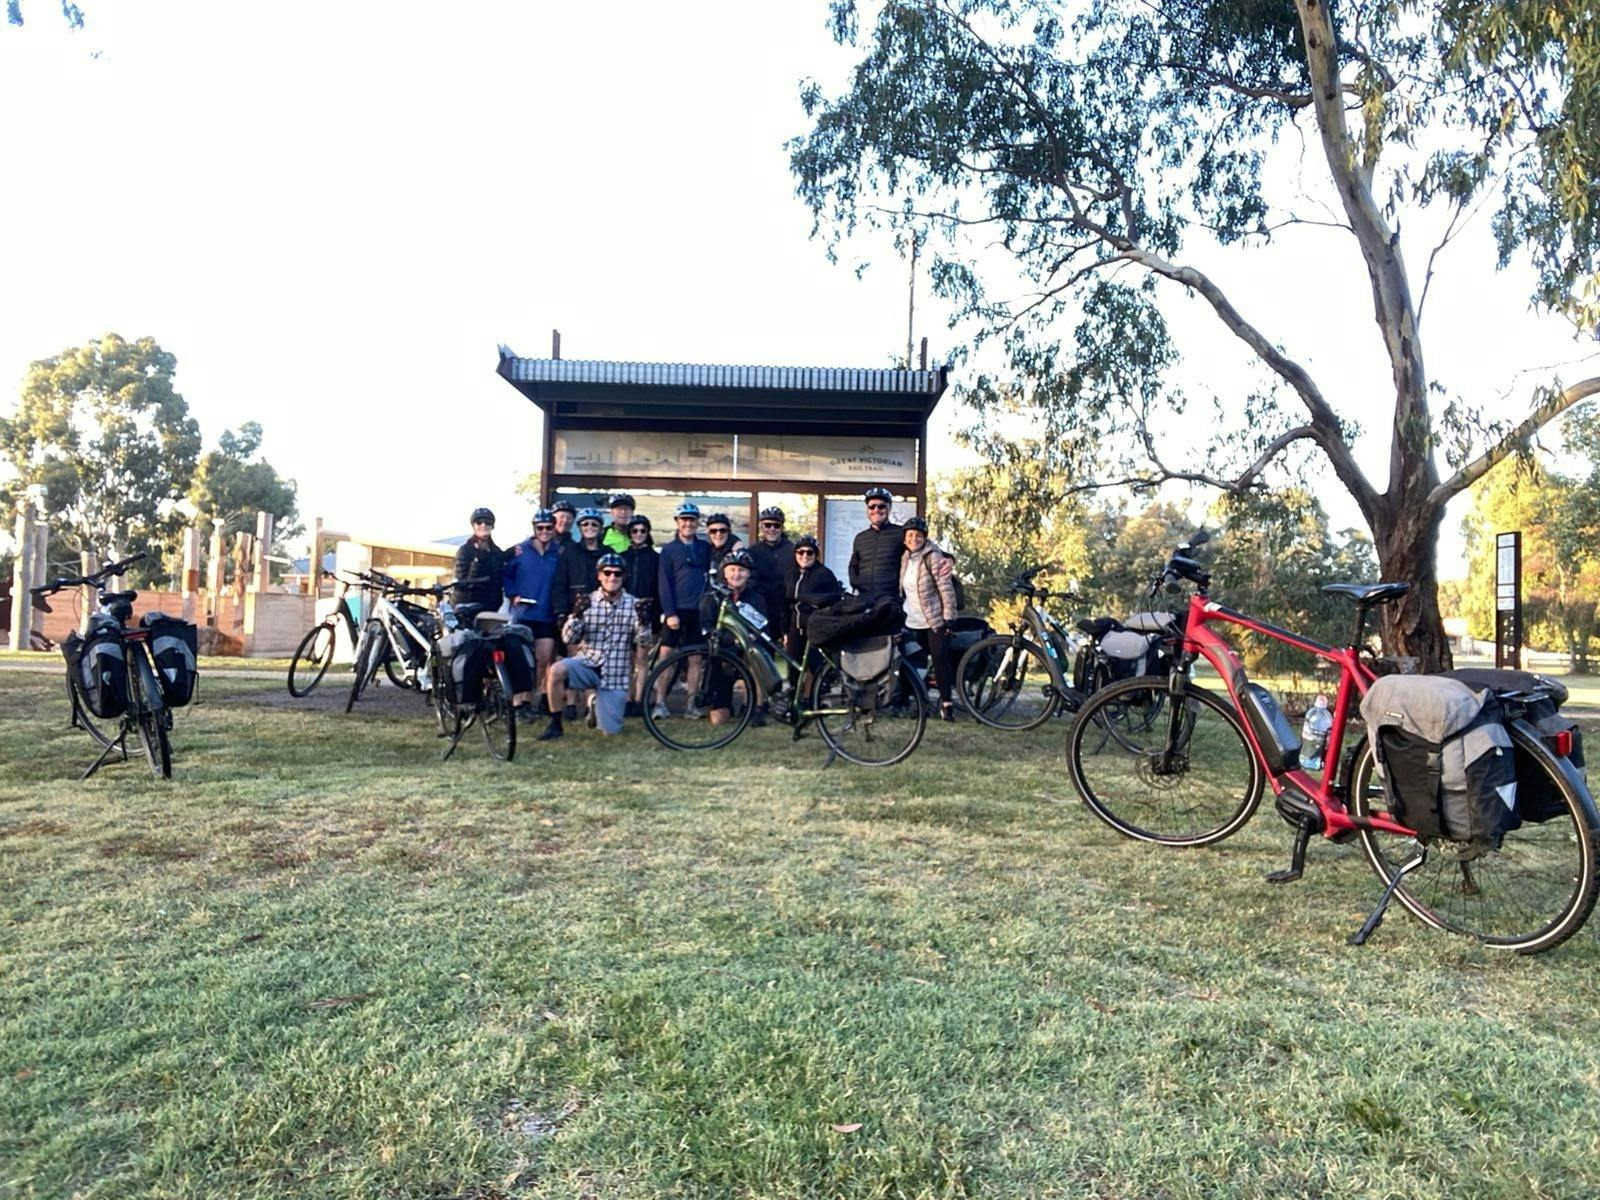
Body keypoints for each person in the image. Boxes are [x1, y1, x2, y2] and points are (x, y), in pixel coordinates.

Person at [539, 553, 652, 740]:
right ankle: (555, 723)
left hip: (616, 673)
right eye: (607, 573)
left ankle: (594, 703)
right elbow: (568, 639)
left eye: (617, 574)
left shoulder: (634, 604)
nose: (612, 578)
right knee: (556, 670)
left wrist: (644, 623)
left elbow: (645, 643)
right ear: (599, 575)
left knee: (610, 734)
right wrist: (575, 615)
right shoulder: (587, 601)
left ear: (624, 576)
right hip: (588, 663)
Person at [502, 507, 562, 720]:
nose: (545, 531)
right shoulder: (521, 550)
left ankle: (529, 699)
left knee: (543, 660)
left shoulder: (559, 552)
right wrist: (512, 594)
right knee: (520, 660)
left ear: (554, 528)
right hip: (523, 614)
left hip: (547, 614)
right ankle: (516, 703)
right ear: (534, 528)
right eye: (540, 528)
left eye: (548, 527)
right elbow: (506, 575)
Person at [654, 502, 711, 719]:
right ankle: (659, 702)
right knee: (666, 656)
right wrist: (669, 613)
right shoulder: (668, 550)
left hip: (698, 611)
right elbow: (664, 583)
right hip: (676, 611)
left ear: (697, 523)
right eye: (684, 519)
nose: (688, 523)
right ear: (677, 522)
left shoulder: (704, 548)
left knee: (695, 659)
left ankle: (691, 705)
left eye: (692, 520)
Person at [900, 516, 960, 721]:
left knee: (940, 659)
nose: (914, 539)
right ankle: (919, 703)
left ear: (924, 538)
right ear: (904, 539)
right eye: (910, 535)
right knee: (915, 664)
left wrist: (949, 617)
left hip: (934, 620)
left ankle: (946, 704)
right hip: (911, 620)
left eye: (918, 535)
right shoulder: (905, 558)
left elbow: (946, 588)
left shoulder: (933, 557)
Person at [699, 548, 767, 727]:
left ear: (748, 574)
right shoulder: (712, 597)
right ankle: (723, 703)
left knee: (756, 657)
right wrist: (731, 639)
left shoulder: (756, 599)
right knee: (719, 720)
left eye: (742, 570)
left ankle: (755, 707)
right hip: (722, 656)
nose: (737, 574)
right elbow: (706, 628)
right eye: (732, 569)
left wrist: (746, 641)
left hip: (746, 654)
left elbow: (762, 629)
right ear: (725, 572)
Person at [621, 514, 661, 717]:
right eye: (635, 531)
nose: (638, 534)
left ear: (648, 533)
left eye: (642, 531)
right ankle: (627, 699)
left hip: (648, 612)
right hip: (625, 612)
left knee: (643, 658)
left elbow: (660, 587)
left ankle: (640, 699)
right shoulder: (623, 557)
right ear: (630, 533)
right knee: (626, 658)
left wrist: (658, 614)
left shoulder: (655, 558)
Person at [784, 533, 842, 659]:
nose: (805, 556)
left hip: (816, 630)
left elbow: (834, 602)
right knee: (793, 670)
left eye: (810, 552)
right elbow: (785, 604)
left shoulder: (825, 574)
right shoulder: (790, 575)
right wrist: (785, 631)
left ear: (816, 555)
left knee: (817, 669)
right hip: (795, 630)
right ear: (795, 554)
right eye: (801, 552)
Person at [747, 506, 795, 644]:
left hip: (786, 608)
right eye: (767, 525)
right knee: (763, 652)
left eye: (776, 525)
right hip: (762, 608)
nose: (772, 529)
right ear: (761, 527)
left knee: (792, 654)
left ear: (782, 527)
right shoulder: (753, 551)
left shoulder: (793, 550)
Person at [849, 486, 903, 603]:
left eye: (881, 506)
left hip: (891, 600)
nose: (876, 510)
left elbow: (922, 547)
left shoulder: (901, 533)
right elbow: (853, 565)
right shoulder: (860, 538)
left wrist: (947, 559)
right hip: (865, 600)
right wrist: (856, 583)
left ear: (889, 508)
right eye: (872, 507)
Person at [553, 507, 607, 622]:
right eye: (585, 524)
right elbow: (560, 584)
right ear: (579, 528)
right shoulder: (569, 552)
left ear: (601, 528)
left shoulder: (608, 554)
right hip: (574, 612)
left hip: (603, 613)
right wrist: (561, 612)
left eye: (594, 524)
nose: (589, 527)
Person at [453, 507, 506, 611]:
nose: (483, 525)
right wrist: (478, 560)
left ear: (492, 526)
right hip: (467, 609)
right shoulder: (464, 551)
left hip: (491, 609)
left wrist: (511, 553)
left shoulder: (497, 552)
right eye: (479, 522)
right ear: (473, 525)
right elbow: (463, 583)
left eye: (488, 522)